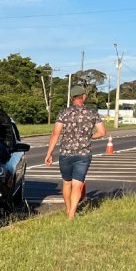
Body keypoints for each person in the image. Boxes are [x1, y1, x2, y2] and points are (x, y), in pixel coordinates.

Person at [44, 84, 106, 220]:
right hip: (84, 154)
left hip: (66, 153)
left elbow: (56, 133)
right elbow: (102, 132)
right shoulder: (92, 112)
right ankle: (72, 214)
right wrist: (89, 136)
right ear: (84, 96)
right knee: (77, 184)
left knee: (67, 182)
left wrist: (49, 153)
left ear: (72, 98)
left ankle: (68, 210)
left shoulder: (64, 113)